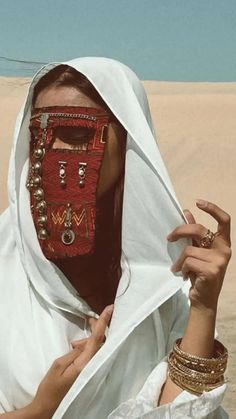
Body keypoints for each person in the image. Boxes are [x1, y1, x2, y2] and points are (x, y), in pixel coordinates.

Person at [0, 57, 231, 418]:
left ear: (127, 145)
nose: (50, 153)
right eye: (37, 136)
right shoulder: (5, 259)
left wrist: (202, 306)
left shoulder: (165, 270)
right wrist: (41, 409)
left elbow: (179, 411)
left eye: (76, 136)